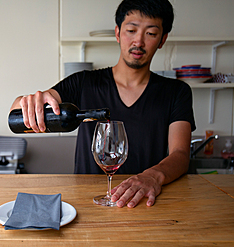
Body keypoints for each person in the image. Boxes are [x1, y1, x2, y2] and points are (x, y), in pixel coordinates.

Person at [10, 0, 195, 208]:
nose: (138, 42)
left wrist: (153, 176)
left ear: (162, 39)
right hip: (87, 204)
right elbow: (18, 110)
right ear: (117, 33)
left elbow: (180, 154)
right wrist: (28, 102)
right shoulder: (83, 82)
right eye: (131, 30)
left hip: (147, 203)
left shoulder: (177, 92)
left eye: (151, 33)